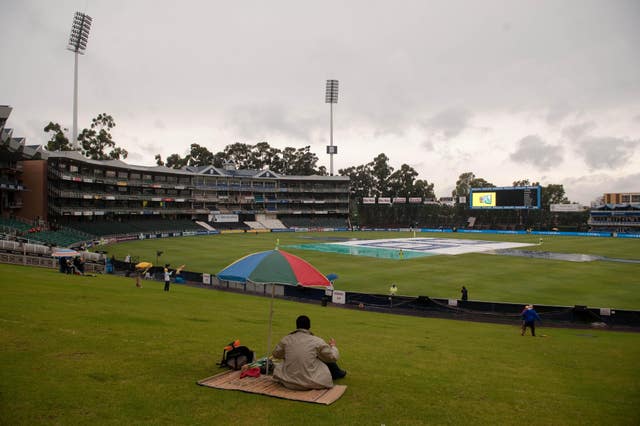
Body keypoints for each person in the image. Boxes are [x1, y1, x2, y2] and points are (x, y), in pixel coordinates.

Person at [271, 315, 346, 391]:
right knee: (322, 358)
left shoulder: (286, 339)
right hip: (311, 382)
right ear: (309, 326)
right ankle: (338, 373)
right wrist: (333, 347)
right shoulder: (317, 341)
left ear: (297, 326)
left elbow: (276, 354)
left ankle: (338, 372)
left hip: (288, 381)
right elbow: (333, 357)